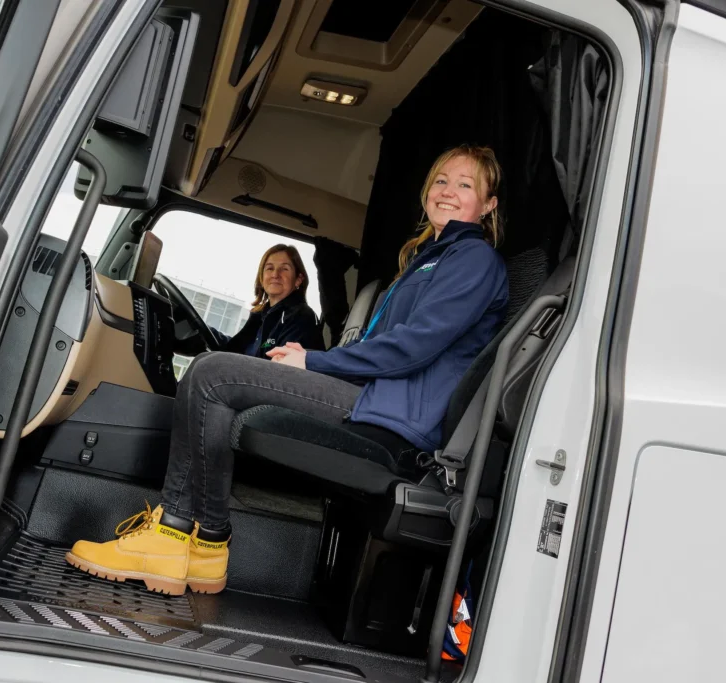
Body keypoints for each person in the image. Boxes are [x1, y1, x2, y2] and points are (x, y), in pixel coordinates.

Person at [65, 145, 510, 596]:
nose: (447, 191)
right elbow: (389, 347)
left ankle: (174, 534)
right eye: (440, 180)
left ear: (488, 205)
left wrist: (315, 361)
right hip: (376, 399)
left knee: (210, 375)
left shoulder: (472, 260)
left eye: (465, 184)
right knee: (211, 376)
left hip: (394, 419)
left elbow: (413, 349)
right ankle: (203, 549)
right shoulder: (428, 258)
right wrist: (316, 365)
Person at [210, 244, 324, 358]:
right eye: (270, 268)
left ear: (298, 280)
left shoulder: (301, 317)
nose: (275, 274)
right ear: (262, 277)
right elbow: (238, 350)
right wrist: (208, 334)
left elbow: (282, 370)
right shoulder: (261, 316)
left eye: (284, 269)